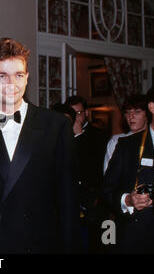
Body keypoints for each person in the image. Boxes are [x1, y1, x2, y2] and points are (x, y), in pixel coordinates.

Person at [0, 38, 79, 253]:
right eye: (2, 76)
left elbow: (68, 199)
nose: (11, 85)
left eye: (18, 75)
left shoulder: (56, 125)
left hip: (41, 244)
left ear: (27, 77)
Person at [103, 81, 154, 253]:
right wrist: (127, 200)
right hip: (136, 239)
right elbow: (106, 190)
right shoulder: (128, 145)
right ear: (153, 108)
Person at [65, 95, 109, 253]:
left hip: (93, 200)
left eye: (79, 113)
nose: (76, 118)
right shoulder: (62, 134)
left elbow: (93, 167)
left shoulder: (100, 136)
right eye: (73, 114)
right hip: (71, 200)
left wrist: (79, 137)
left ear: (87, 113)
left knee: (96, 245)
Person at [103, 94, 148, 174]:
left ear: (147, 114)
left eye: (137, 112)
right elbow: (108, 174)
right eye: (127, 112)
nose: (131, 116)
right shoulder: (116, 141)